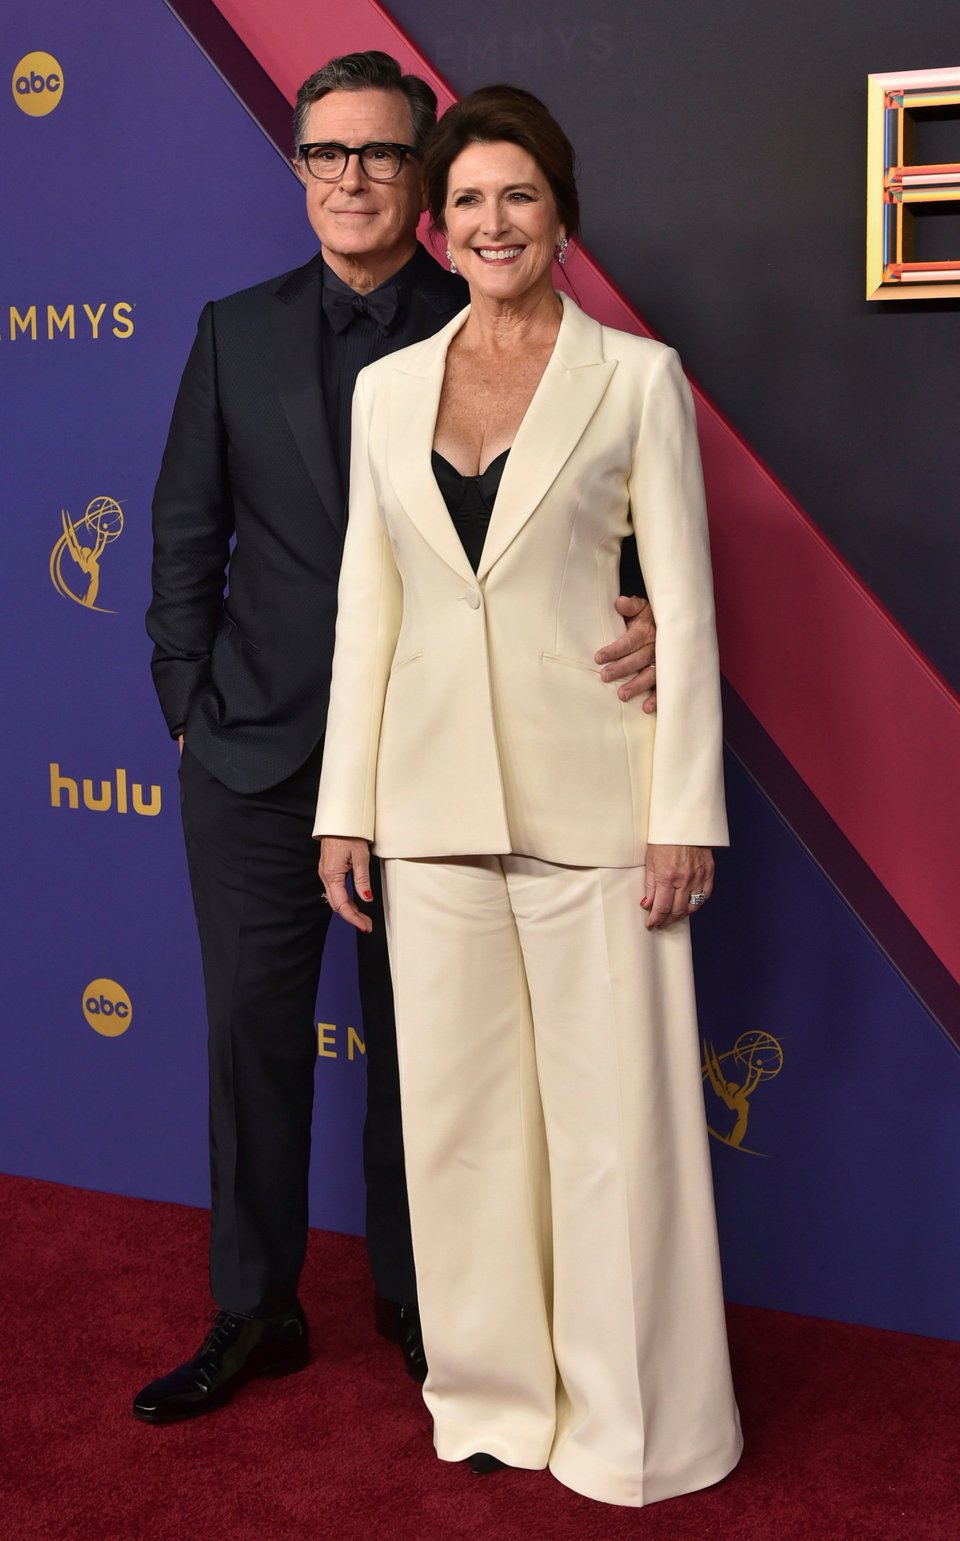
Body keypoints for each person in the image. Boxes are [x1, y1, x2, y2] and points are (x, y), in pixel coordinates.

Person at [137, 54, 659, 1424]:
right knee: (252, 1045)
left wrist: (657, 610)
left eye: (378, 154)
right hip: (254, 758)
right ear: (298, 168)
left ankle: (437, 1312)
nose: (351, 178)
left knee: (437, 1051)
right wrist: (191, 707)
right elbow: (186, 537)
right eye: (326, 153)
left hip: (439, 760)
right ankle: (255, 1307)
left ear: (424, 178)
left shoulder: (491, 317)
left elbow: (613, 517)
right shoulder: (229, 332)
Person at [316, 85, 742, 1506]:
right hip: (429, 815)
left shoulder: (637, 378)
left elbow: (683, 605)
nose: (493, 222)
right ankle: (492, 1396)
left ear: (562, 214)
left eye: (522, 196)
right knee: (457, 1124)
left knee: (616, 1131)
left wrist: (685, 808)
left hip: (596, 808)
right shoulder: (387, 390)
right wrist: (345, 803)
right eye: (471, 200)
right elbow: (365, 608)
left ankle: (633, 1426)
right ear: (437, 226)